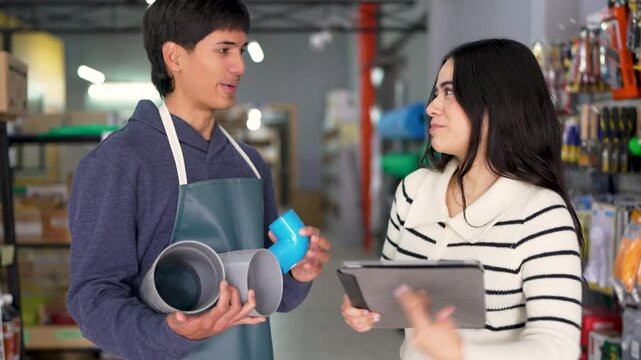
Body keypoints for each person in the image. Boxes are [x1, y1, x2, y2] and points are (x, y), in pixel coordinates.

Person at [66, 1, 330, 359]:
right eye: (224, 50)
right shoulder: (118, 163)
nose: (240, 66)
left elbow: (267, 287)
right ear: (174, 56)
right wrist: (169, 332)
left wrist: (297, 271)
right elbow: (92, 298)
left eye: (242, 50)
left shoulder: (250, 165)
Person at [341, 38, 583, 360]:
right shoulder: (413, 190)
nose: (430, 107)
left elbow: (558, 347)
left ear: (497, 102)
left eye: (449, 91)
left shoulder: (541, 214)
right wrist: (367, 306)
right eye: (436, 92)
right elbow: (392, 291)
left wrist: (459, 353)